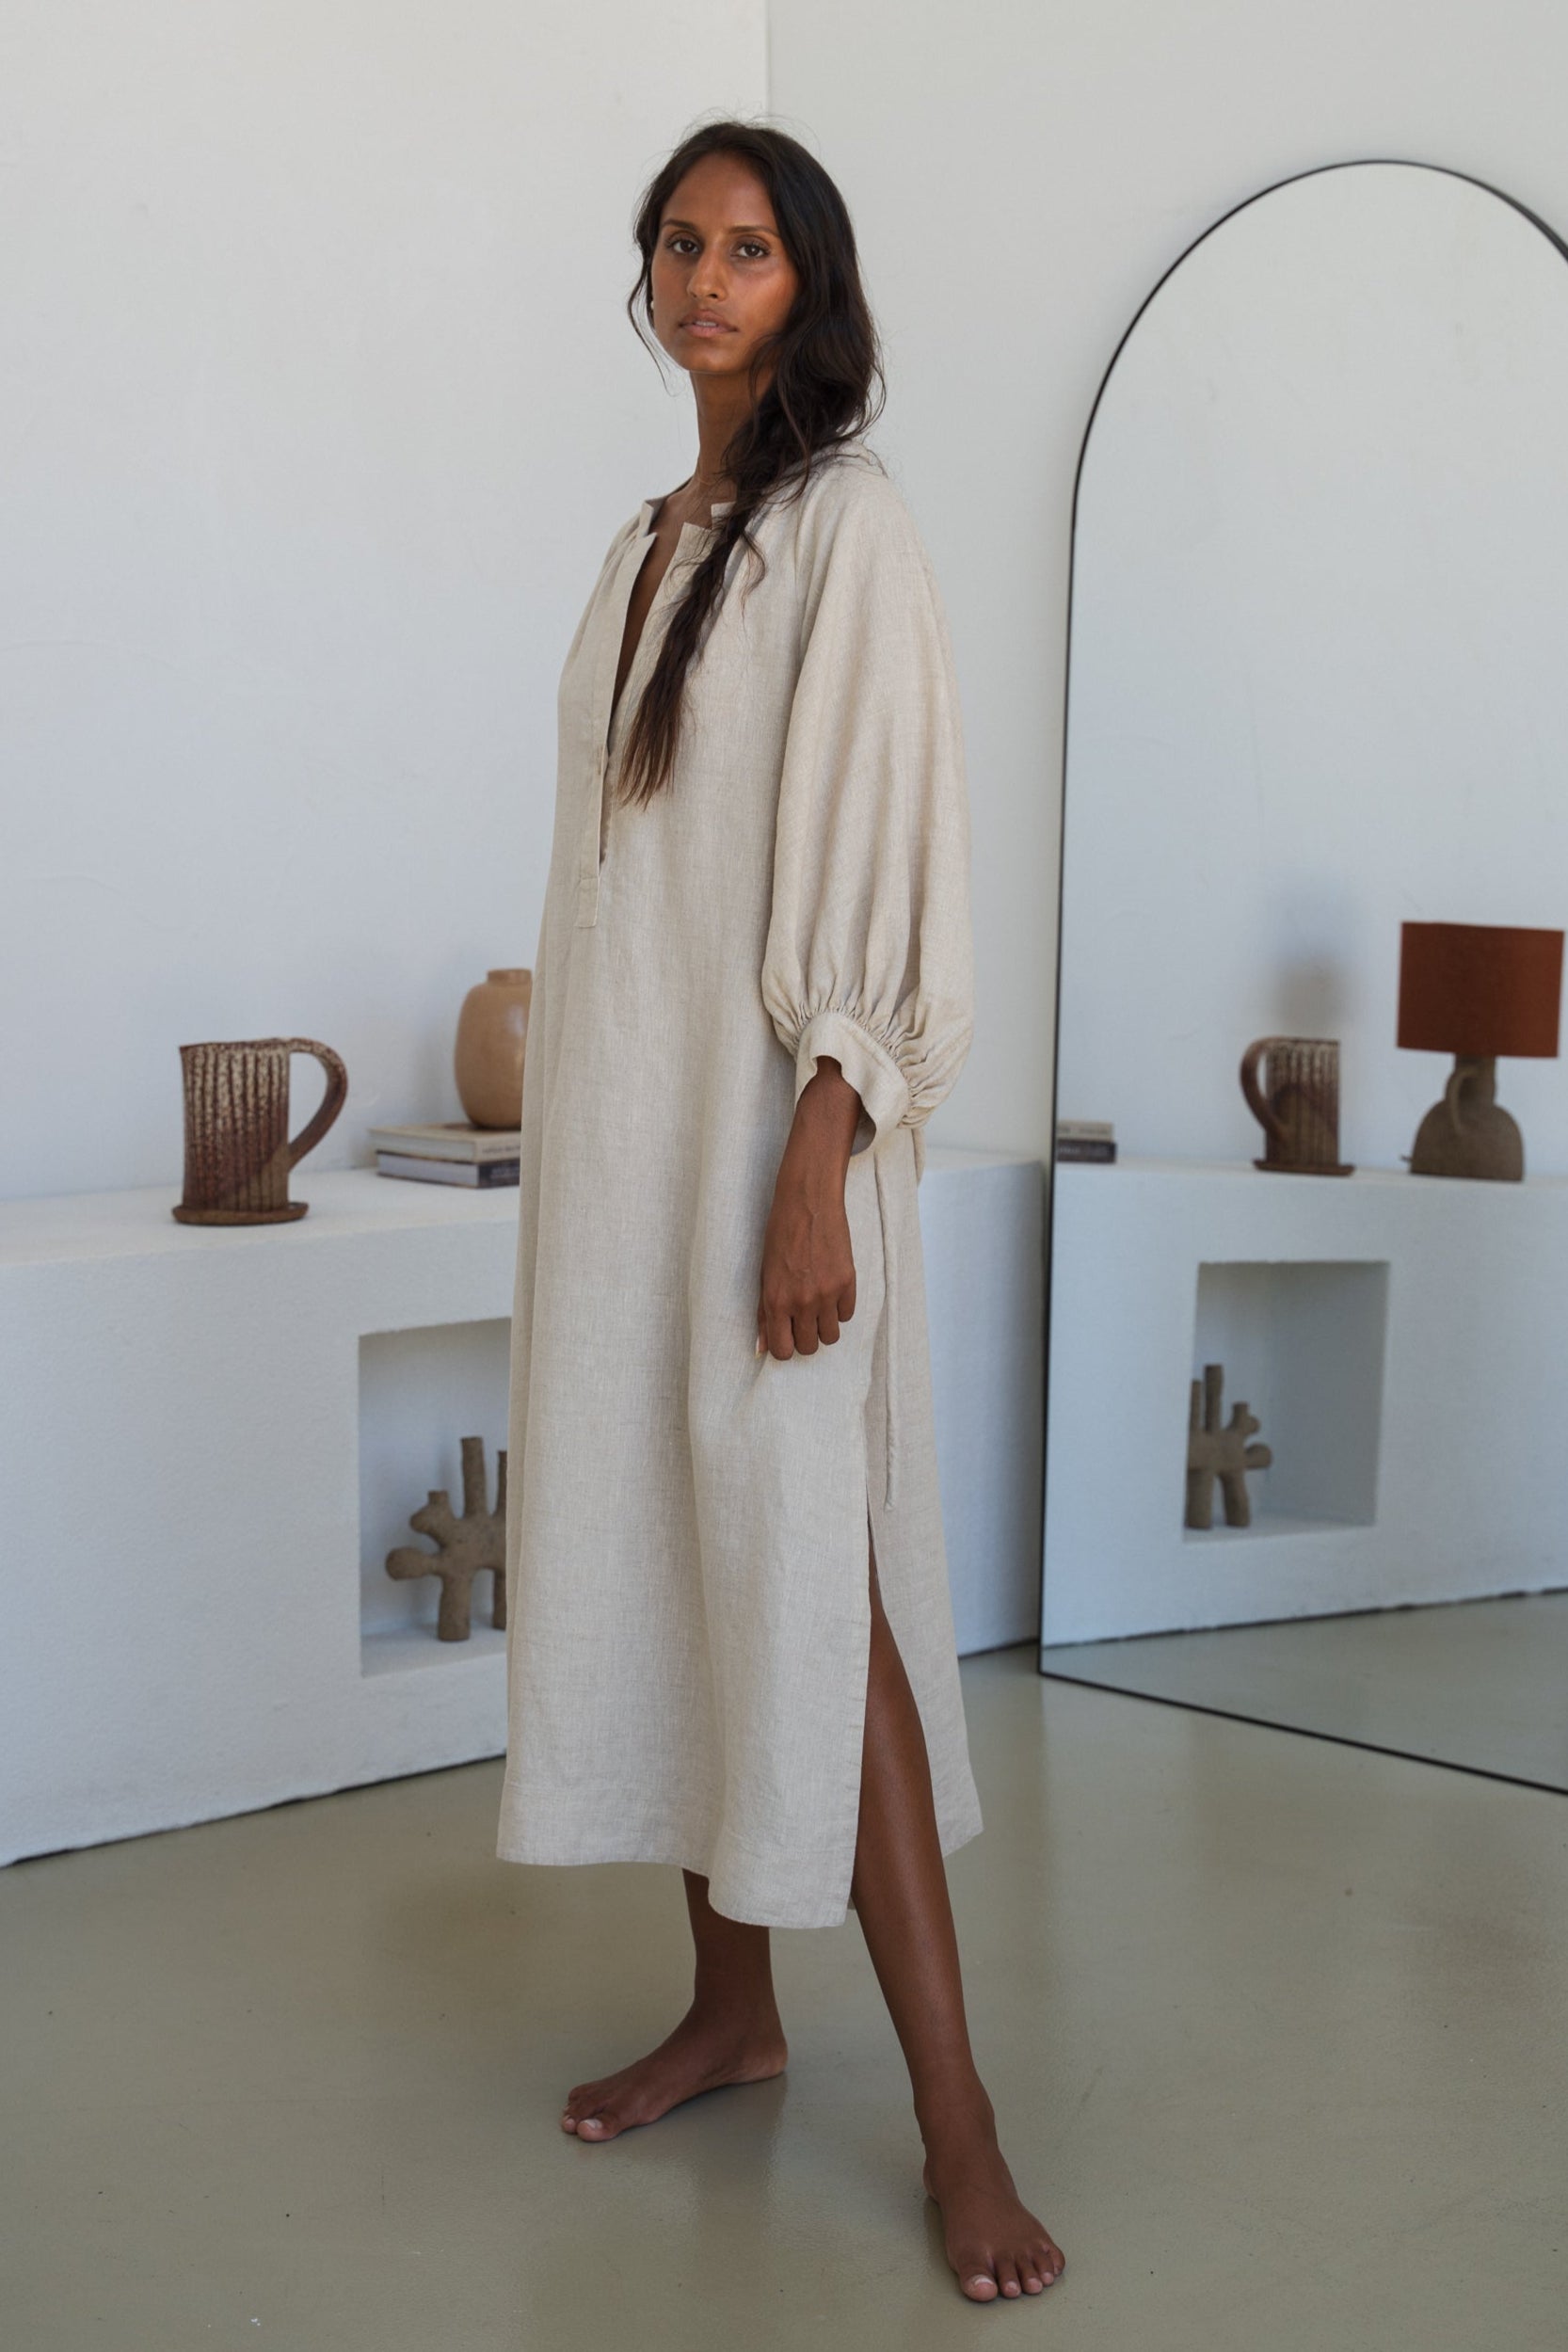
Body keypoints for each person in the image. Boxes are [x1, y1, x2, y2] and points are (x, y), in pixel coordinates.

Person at [495, 118, 1064, 2305]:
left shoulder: (850, 530)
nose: (703, 273)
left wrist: (818, 1155)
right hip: (625, 1155)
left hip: (764, 1154)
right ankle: (734, 2009)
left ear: (805, 286)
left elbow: (880, 870)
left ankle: (958, 2121)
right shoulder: (650, 537)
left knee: (815, 1594)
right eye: (677, 240)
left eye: (745, 246)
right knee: (669, 1548)